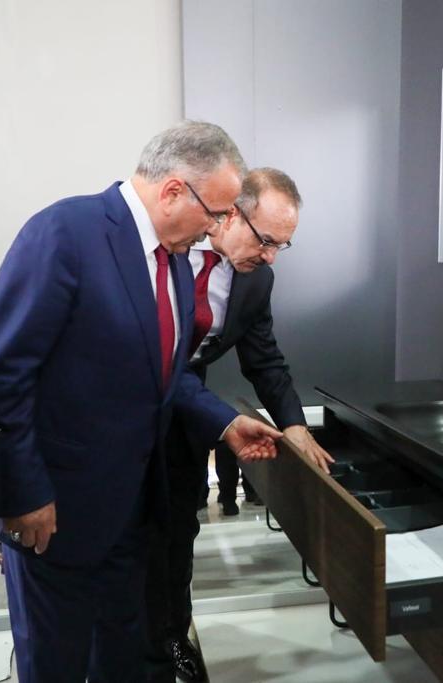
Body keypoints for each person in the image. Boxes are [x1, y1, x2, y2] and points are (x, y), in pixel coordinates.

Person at [0, 121, 283, 682]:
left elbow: (165, 379)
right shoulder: (66, 232)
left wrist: (225, 423)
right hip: (56, 513)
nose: (217, 228)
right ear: (173, 191)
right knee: (54, 664)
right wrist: (21, 491)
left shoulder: (174, 263)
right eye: (216, 213)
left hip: (134, 514)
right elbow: (4, 375)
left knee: (123, 662)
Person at [145, 168, 334, 683]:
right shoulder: (164, 253)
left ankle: (172, 638)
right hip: (129, 416)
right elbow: (158, 362)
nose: (271, 257)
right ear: (230, 213)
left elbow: (264, 360)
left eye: (281, 246)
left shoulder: (256, 279)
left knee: (178, 533)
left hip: (186, 420)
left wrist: (294, 424)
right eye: (266, 240)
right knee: (135, 538)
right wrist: (225, 421)